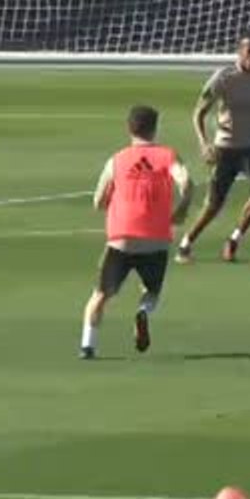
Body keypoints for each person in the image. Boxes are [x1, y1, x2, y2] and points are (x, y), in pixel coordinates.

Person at [80, 106, 193, 360]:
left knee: (100, 294)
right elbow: (186, 181)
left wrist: (113, 200)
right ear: (155, 128)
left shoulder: (117, 159)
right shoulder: (167, 155)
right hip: (155, 238)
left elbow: (98, 200)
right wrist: (181, 209)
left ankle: (87, 345)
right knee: (151, 291)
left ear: (129, 128)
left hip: (122, 238)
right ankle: (143, 311)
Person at [176, 31, 250, 264]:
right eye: (248, 49)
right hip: (228, 146)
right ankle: (186, 242)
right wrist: (204, 143)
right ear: (239, 51)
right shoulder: (224, 77)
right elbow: (198, 113)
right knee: (214, 203)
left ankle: (234, 239)